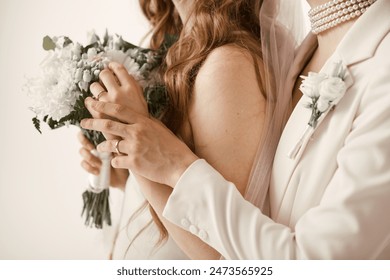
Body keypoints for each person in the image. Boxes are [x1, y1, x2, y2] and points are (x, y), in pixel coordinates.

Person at [82, 0, 390, 259]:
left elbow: (316, 262)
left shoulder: (230, 62)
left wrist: (172, 167)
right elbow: (272, 206)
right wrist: (136, 175)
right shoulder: (309, 50)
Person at [79, 0, 276, 259]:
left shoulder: (227, 65)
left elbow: (224, 254)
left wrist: (131, 136)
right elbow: (182, 198)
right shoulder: (178, 46)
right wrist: (127, 177)